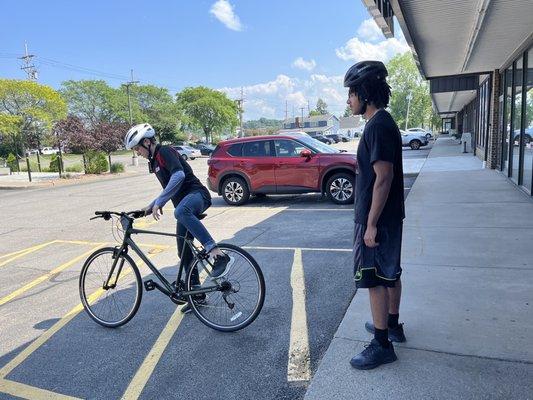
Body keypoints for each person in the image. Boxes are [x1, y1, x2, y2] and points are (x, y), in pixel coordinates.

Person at [124, 123, 232, 313]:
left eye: (137, 148)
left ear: (147, 142)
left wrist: (160, 202)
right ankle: (197, 295)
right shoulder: (154, 162)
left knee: (180, 212)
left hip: (197, 196)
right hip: (185, 205)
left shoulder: (164, 152)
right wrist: (150, 207)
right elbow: (169, 188)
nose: (137, 153)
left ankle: (217, 254)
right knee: (183, 251)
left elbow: (179, 176)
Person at [344, 61, 406, 370]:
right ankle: (392, 325)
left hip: (377, 221)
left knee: (375, 280)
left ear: (365, 94)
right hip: (388, 218)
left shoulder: (378, 125)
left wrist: (369, 224)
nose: (348, 100)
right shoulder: (383, 122)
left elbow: (384, 176)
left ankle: (382, 344)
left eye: (351, 94)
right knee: (390, 273)